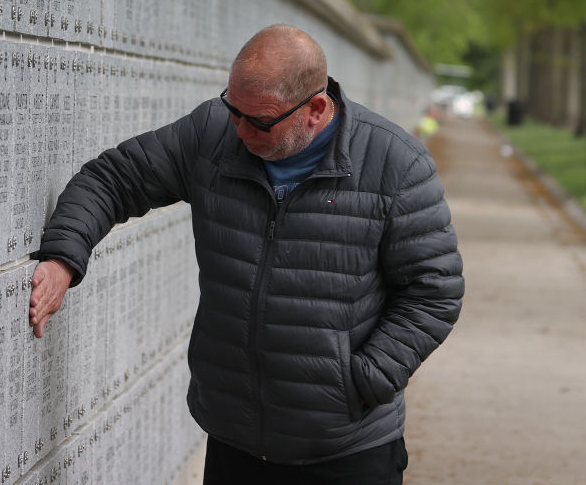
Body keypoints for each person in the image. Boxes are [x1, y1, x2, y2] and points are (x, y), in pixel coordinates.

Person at [28, 24, 463, 484]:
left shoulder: (396, 164)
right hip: (235, 439)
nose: (239, 129)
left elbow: (434, 292)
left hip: (347, 449)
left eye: (258, 121)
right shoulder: (214, 134)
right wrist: (63, 257)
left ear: (315, 108)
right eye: (232, 109)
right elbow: (113, 179)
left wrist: (362, 382)